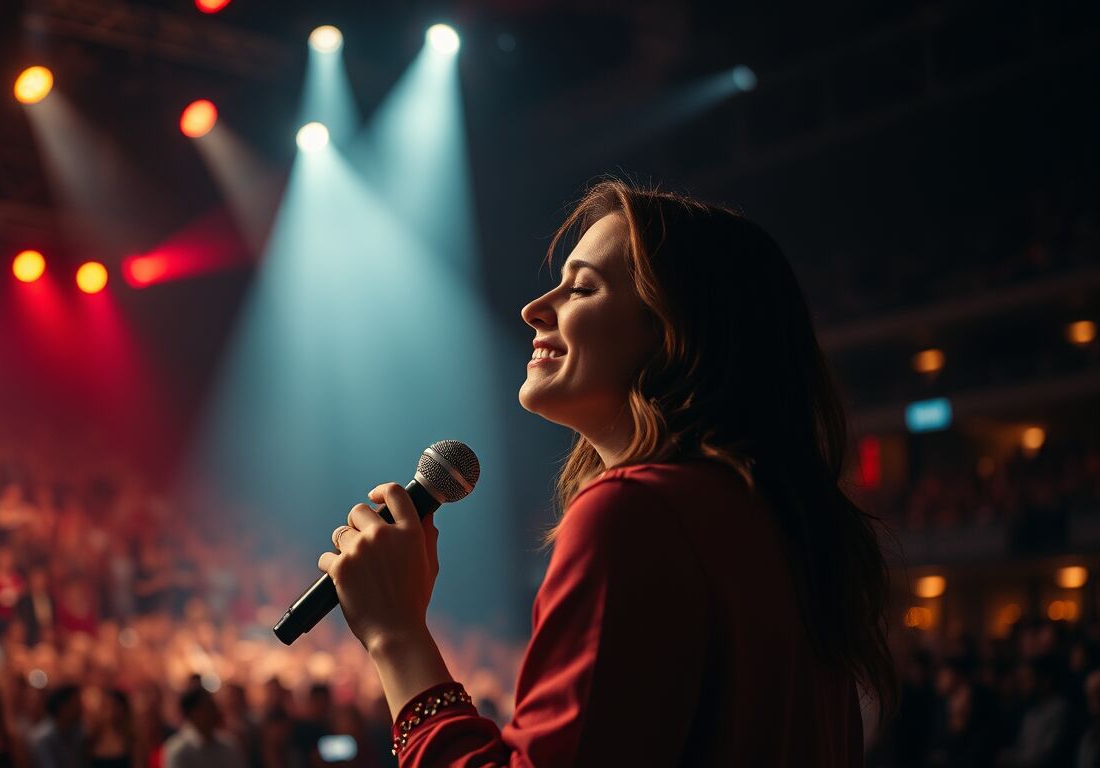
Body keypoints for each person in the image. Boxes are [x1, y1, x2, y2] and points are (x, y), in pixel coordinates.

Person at [315, 181, 897, 764]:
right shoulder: (780, 521)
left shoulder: (637, 513)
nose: (534, 309)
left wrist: (396, 635)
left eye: (582, 288)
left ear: (672, 333)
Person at [162, 687, 244, 768]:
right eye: (208, 707)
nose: (214, 711)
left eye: (213, 706)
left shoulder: (228, 746)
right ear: (193, 713)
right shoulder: (179, 750)